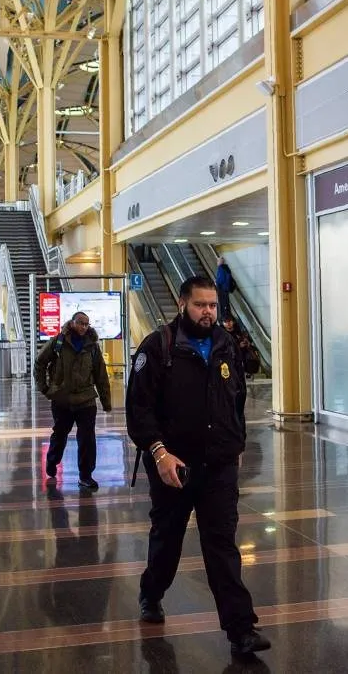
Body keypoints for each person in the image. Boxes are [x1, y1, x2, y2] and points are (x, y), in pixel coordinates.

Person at [125, 275, 269, 657]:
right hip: (174, 466)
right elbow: (138, 410)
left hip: (218, 466)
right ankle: (151, 593)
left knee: (221, 545)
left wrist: (235, 443)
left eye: (212, 306)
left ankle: (241, 629)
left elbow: (235, 399)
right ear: (182, 303)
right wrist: (159, 452)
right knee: (167, 540)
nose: (207, 313)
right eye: (200, 305)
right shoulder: (158, 348)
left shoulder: (225, 345)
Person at [33, 312, 112, 491]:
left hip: (86, 400)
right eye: (81, 323)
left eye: (87, 324)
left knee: (87, 439)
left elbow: (101, 375)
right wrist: (45, 388)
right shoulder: (58, 342)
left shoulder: (92, 347)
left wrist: (106, 402)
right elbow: (39, 362)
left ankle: (85, 476)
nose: (84, 327)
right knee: (60, 434)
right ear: (73, 322)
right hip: (63, 400)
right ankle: (52, 461)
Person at [215, 256, 235, 322]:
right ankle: (227, 316)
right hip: (226, 288)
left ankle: (224, 318)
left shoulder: (221, 268)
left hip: (222, 288)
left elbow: (220, 279)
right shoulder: (227, 268)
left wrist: (216, 282)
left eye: (218, 261)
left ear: (220, 262)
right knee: (226, 303)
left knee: (222, 303)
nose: (217, 262)